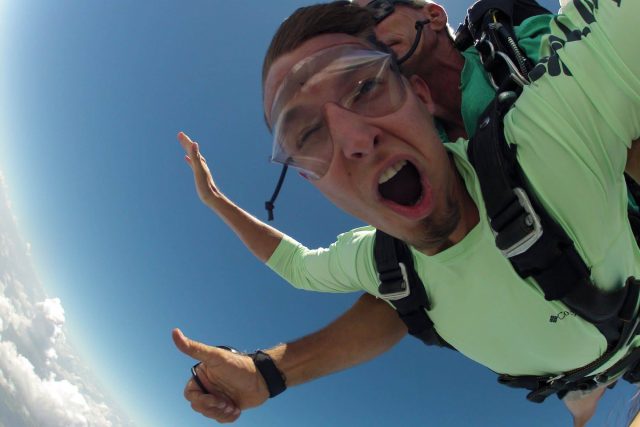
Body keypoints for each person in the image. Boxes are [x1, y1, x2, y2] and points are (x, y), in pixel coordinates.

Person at [173, 1, 640, 426]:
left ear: (421, 95)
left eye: (364, 86)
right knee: (578, 394)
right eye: (308, 132)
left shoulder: (550, 134)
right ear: (308, 179)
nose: (356, 140)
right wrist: (265, 374)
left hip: (619, 323)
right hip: (570, 369)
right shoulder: (377, 261)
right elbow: (297, 266)